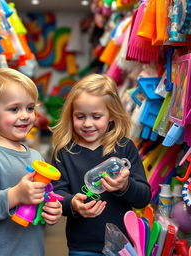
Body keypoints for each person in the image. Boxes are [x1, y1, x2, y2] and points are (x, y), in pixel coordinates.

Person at [51, 73, 151, 256]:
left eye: (96, 116)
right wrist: (72, 203)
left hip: (124, 246)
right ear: (71, 115)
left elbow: (144, 197)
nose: (87, 123)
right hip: (82, 246)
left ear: (111, 115)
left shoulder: (124, 148)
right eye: (80, 116)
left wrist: (125, 186)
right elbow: (56, 193)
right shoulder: (64, 152)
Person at [0, 68, 62, 256]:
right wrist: (15, 195)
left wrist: (51, 210)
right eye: (14, 109)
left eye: (30, 108)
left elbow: (40, 201)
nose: (25, 115)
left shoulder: (35, 157)